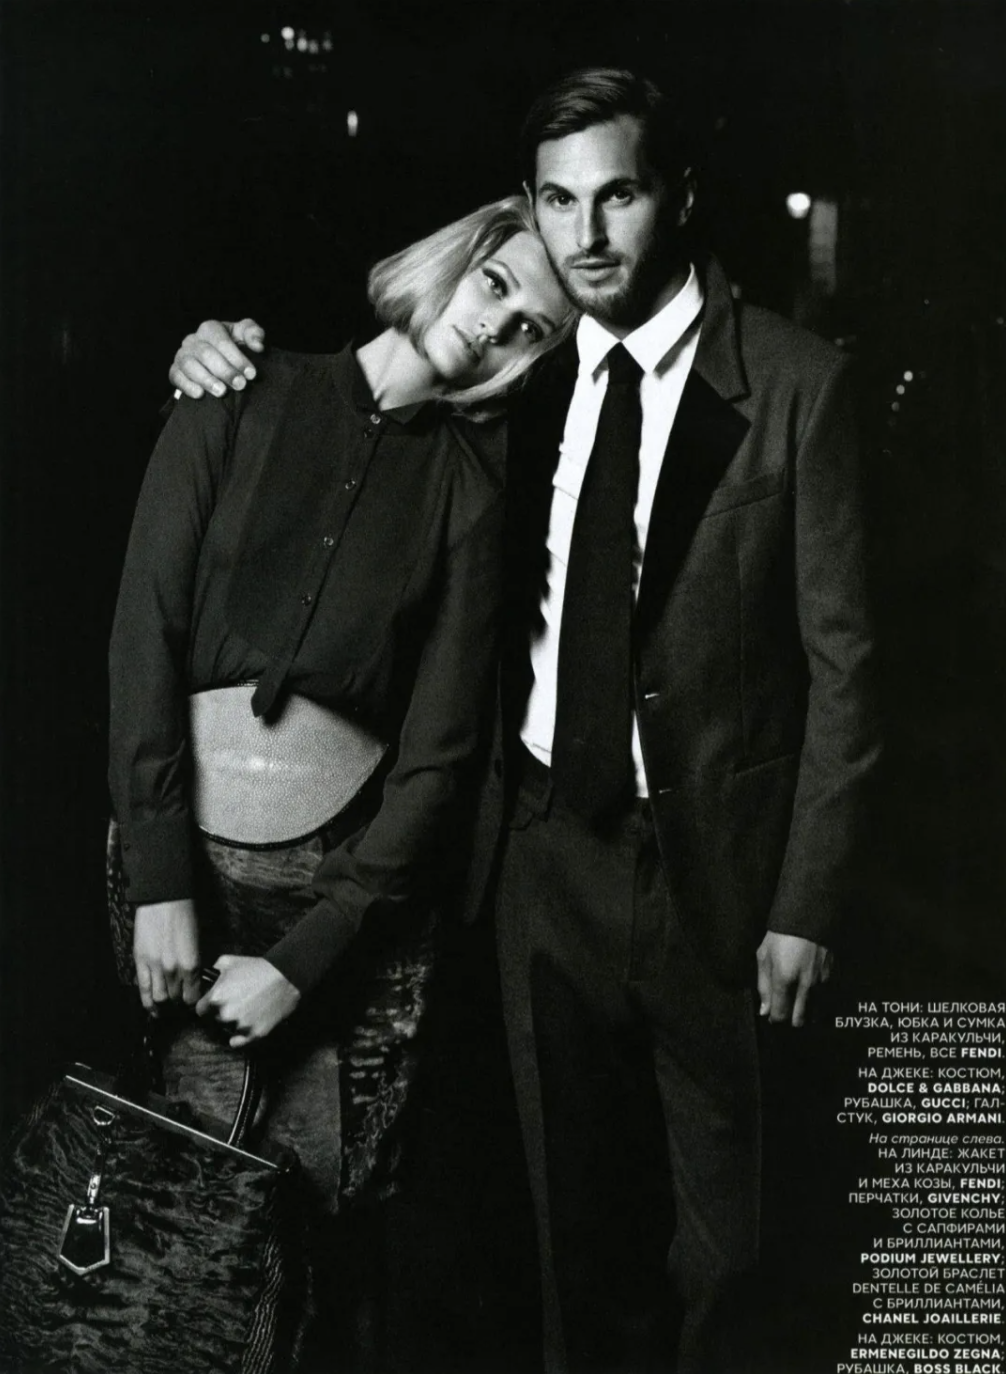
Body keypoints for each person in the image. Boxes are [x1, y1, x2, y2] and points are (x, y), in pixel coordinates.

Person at [169, 67, 879, 1374]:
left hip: (715, 872)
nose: (586, 233)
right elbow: (374, 410)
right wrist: (217, 351)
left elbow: (847, 670)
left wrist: (806, 901)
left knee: (730, 1248)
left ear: (676, 197)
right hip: (539, 863)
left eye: (617, 195)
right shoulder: (524, 377)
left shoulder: (794, 382)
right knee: (571, 1236)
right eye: (559, 201)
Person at [109, 193, 572, 1369]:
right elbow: (143, 639)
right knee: (173, 1207)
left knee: (316, 1226)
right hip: (183, 872)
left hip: (339, 895)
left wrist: (308, 956)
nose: (496, 325)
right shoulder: (235, 391)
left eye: (531, 329)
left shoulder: (471, 494)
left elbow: (439, 759)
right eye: (496, 284)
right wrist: (160, 877)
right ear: (454, 260)